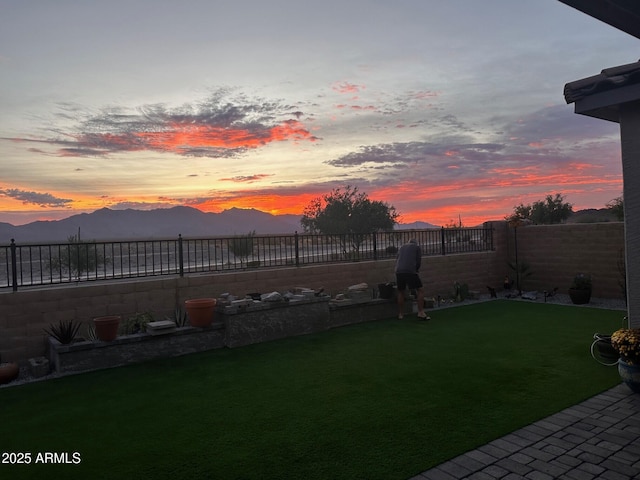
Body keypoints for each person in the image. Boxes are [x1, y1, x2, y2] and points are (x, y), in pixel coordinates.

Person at [395, 239, 429, 320]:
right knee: (420, 290)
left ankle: (400, 314)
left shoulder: (402, 247)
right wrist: (416, 270)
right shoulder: (417, 247)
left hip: (399, 271)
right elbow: (418, 262)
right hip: (410, 271)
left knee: (401, 291)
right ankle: (420, 312)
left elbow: (397, 259)